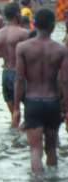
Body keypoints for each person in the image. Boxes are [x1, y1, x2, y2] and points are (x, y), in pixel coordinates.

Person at [13, 9, 68, 172]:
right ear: (53, 27)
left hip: (33, 102)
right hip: (53, 103)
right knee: (51, 149)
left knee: (35, 150)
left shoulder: (22, 47)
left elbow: (19, 79)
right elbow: (65, 81)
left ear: (34, 25)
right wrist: (66, 106)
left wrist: (16, 108)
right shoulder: (61, 50)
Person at [0, 3, 30, 118]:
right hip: (20, 75)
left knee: (14, 115)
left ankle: (15, 134)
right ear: (18, 14)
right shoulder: (24, 33)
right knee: (31, 116)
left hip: (5, 75)